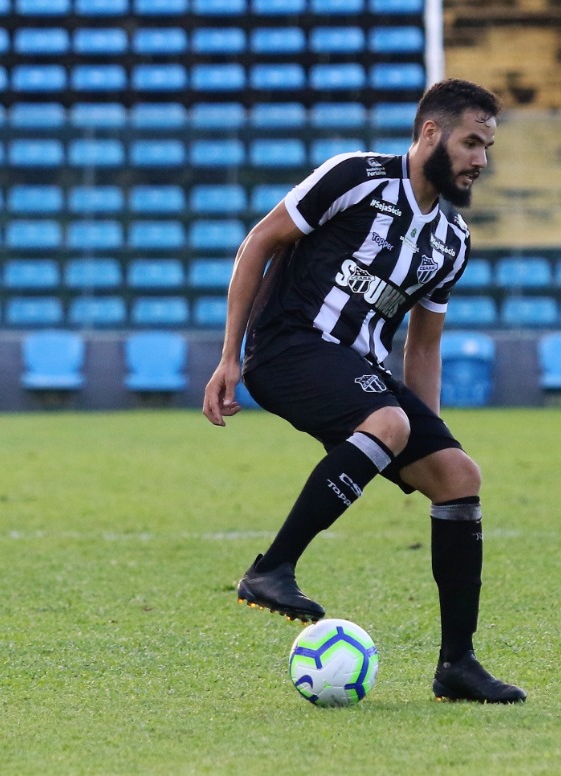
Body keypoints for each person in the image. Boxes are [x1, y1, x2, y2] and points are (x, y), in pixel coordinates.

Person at [202, 78, 525, 704]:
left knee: (459, 475)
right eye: (470, 143)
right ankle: (271, 570)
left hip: (361, 369)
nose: (480, 160)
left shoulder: (451, 242)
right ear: (430, 133)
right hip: (287, 345)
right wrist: (229, 357)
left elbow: (424, 346)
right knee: (390, 422)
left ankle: (457, 665)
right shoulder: (356, 176)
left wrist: (425, 449)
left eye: (487, 147)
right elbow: (258, 244)